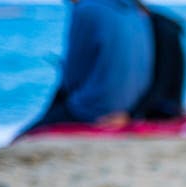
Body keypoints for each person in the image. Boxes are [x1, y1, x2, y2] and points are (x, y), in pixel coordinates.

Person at [20, 0, 154, 136]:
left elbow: (72, 77)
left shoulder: (87, 9)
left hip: (95, 110)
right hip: (130, 110)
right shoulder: (135, 12)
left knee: (28, 135)